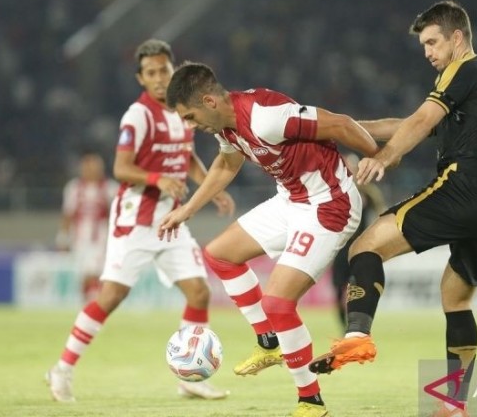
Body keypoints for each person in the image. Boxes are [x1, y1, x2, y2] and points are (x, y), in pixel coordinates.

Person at [308, 0, 477, 417]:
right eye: (424, 44)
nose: (428, 52)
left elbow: (419, 123)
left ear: (457, 38)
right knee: (455, 298)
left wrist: (383, 158)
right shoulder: (476, 88)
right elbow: (404, 122)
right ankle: (456, 405)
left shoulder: (466, 68)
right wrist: (337, 127)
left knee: (364, 247)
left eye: (433, 42)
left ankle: (357, 334)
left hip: (466, 185)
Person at [158, 62, 380, 417]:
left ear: (208, 102)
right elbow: (227, 165)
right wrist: (186, 210)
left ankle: (310, 401)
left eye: (189, 117)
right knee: (220, 255)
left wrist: (379, 157)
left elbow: (340, 124)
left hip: (329, 203)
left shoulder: (265, 116)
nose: (190, 126)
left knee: (278, 303)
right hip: (291, 200)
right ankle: (269, 342)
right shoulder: (225, 127)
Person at [46, 39, 235, 402]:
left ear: (173, 69)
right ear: (141, 78)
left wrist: (211, 188)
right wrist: (156, 179)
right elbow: (120, 168)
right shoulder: (138, 115)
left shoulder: (182, 110)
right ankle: (63, 368)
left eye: (164, 69)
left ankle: (191, 377)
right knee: (111, 296)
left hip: (170, 218)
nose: (160, 78)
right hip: (136, 218)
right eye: (151, 73)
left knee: (198, 291)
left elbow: (187, 155)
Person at [331, 153, 385, 331]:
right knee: (339, 290)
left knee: (360, 287)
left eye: (353, 166)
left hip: (360, 247)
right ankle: (345, 327)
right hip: (340, 247)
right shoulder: (334, 191)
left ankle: (357, 326)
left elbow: (381, 215)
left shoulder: (369, 192)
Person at [56, 151, 118, 302]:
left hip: (101, 240)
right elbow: (68, 215)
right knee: (85, 275)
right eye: (87, 166)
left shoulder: (110, 188)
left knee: (96, 273)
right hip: (80, 240)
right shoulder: (73, 188)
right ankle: (89, 307)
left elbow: (116, 215)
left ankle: (94, 308)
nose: (90, 170)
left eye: (94, 166)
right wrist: (63, 239)